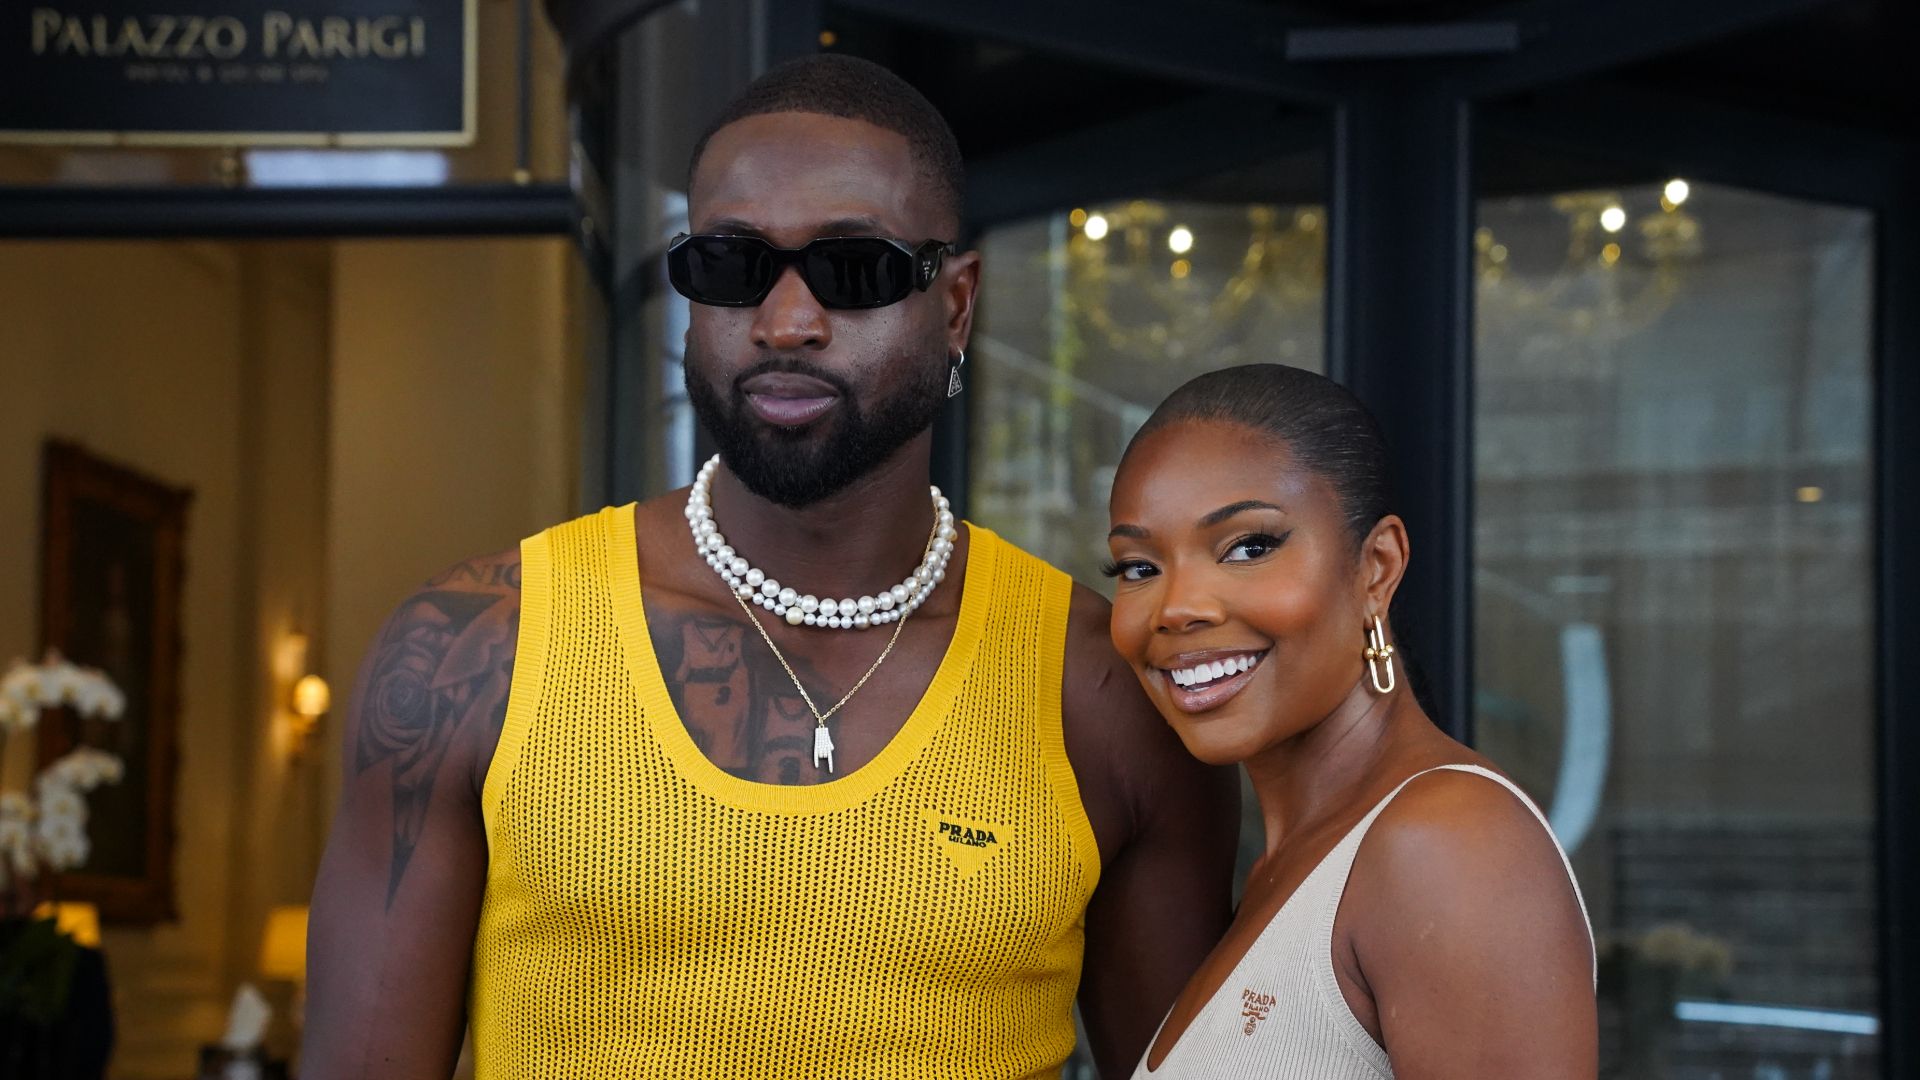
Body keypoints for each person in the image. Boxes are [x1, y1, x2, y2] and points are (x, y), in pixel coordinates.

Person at [302, 54, 1238, 1080]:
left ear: (956, 305)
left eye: (855, 268)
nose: (786, 323)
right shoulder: (477, 651)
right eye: (731, 265)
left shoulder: (1099, 688)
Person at [1102, 364, 1596, 1078]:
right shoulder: (1287, 867)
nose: (1176, 607)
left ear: (1377, 567)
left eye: (1249, 547)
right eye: (1138, 568)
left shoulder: (1448, 844)